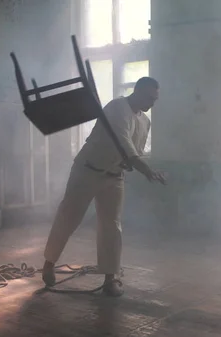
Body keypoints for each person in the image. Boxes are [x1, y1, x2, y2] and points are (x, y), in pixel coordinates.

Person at [41, 77, 167, 297]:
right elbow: (126, 146)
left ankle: (111, 278)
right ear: (136, 92)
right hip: (87, 171)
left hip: (114, 176)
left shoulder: (145, 121)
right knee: (68, 216)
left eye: (155, 99)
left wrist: (137, 165)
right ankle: (49, 263)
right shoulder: (117, 107)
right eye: (149, 97)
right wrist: (147, 170)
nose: (152, 103)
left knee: (111, 225)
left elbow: (134, 152)